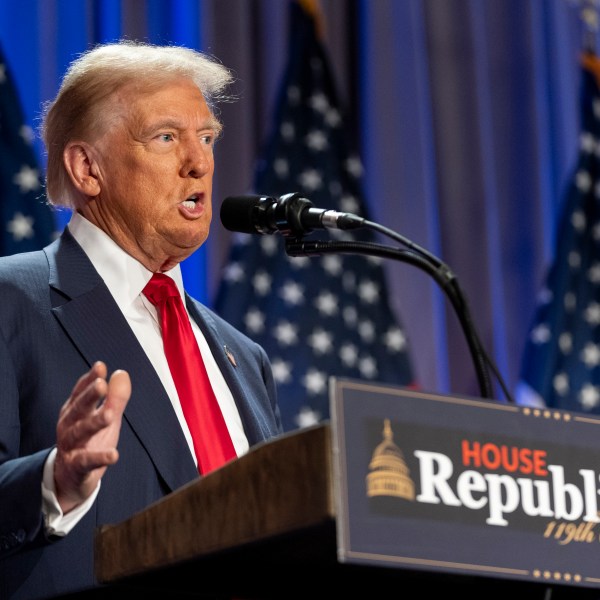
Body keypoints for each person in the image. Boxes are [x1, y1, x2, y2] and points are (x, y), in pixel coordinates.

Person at [0, 40, 283, 599]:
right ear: (87, 167)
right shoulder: (11, 299)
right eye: (166, 137)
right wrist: (57, 477)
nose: (199, 161)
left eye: (206, 138)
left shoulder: (243, 356)